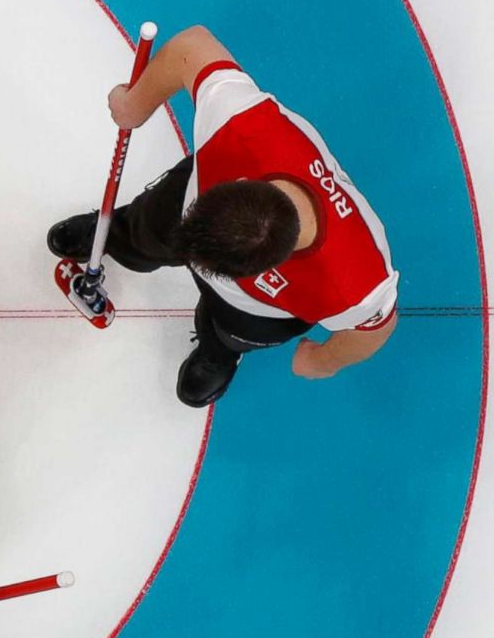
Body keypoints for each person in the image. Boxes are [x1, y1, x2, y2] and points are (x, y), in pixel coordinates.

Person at [47, 25, 400, 407]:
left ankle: (218, 352)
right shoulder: (243, 127)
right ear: (242, 180)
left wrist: (323, 361)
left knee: (229, 331)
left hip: (254, 310)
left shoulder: (355, 281)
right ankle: (116, 237)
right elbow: (192, 47)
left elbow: (374, 331)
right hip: (189, 201)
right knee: (149, 226)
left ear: (267, 268)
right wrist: (134, 105)